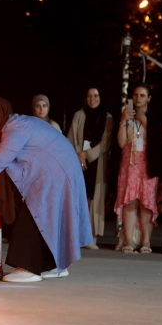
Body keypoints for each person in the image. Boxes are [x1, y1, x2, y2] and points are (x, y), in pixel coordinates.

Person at [0, 96, 92, 283]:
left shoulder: (15, 129)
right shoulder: (12, 126)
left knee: (34, 212)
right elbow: (3, 162)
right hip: (59, 168)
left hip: (56, 171)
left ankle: (28, 268)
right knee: (47, 216)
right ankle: (53, 265)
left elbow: (0, 160)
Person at [114, 84, 160, 253]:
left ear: (148, 98)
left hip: (147, 162)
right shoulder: (128, 115)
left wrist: (145, 121)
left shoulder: (154, 116)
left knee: (146, 202)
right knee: (130, 200)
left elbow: (156, 139)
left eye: (142, 95)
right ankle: (128, 241)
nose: (138, 98)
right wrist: (123, 120)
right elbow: (120, 142)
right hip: (130, 163)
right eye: (136, 95)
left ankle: (146, 241)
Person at [67, 87, 113, 249]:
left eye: (96, 95)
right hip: (78, 161)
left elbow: (106, 143)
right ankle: (76, 236)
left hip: (97, 163)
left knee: (95, 199)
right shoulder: (79, 115)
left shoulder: (108, 118)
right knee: (79, 197)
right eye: (89, 96)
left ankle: (91, 237)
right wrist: (79, 155)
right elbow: (71, 138)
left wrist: (87, 154)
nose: (92, 98)